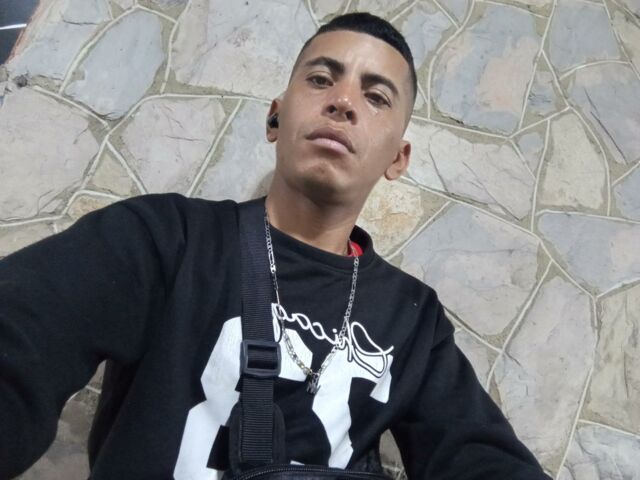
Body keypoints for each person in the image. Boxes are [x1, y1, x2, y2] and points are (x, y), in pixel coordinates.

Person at [0, 12, 551, 480]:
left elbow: (481, 457)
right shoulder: (163, 238)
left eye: (376, 96)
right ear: (275, 117)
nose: (343, 101)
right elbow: (23, 335)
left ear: (397, 159)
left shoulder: (414, 321)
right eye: (321, 79)